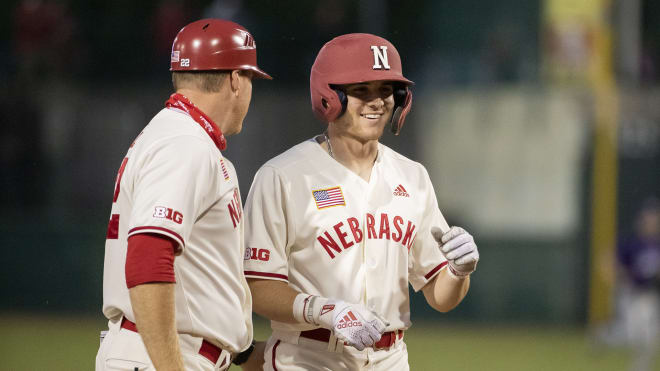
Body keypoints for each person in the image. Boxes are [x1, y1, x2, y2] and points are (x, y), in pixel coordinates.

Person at [243, 33, 479, 370]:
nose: (377, 102)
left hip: (391, 359)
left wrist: (459, 271)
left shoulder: (412, 177)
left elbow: (440, 297)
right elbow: (258, 285)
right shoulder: (284, 175)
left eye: (386, 91)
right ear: (329, 96)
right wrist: (326, 310)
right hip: (309, 357)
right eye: (361, 90)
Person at [96, 19, 271, 371]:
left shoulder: (177, 135)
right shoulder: (184, 143)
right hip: (164, 357)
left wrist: (245, 354)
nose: (251, 89)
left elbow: (197, 272)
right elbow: (148, 256)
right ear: (236, 79)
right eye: (251, 78)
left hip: (167, 352)